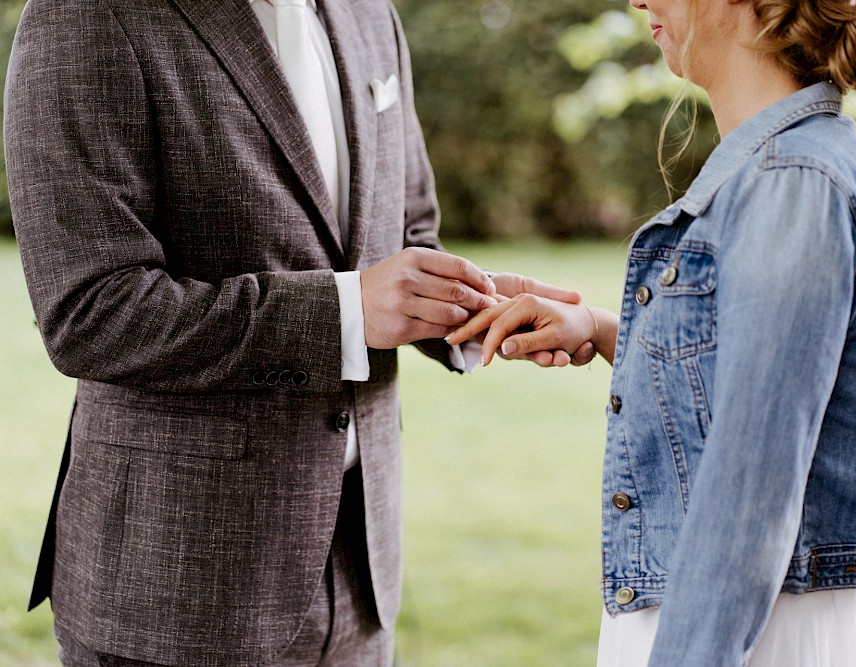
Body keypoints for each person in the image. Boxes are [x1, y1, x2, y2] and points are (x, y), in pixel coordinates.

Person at [4, 0, 580, 665]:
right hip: (178, 590)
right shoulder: (87, 16)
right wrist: (348, 311)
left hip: (357, 574)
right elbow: (94, 312)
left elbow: (405, 233)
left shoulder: (369, 14)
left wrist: (477, 306)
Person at [448, 0, 856, 663]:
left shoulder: (792, 182)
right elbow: (754, 368)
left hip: (749, 631)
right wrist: (598, 328)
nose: (637, 1)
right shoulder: (780, 167)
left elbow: (748, 501)